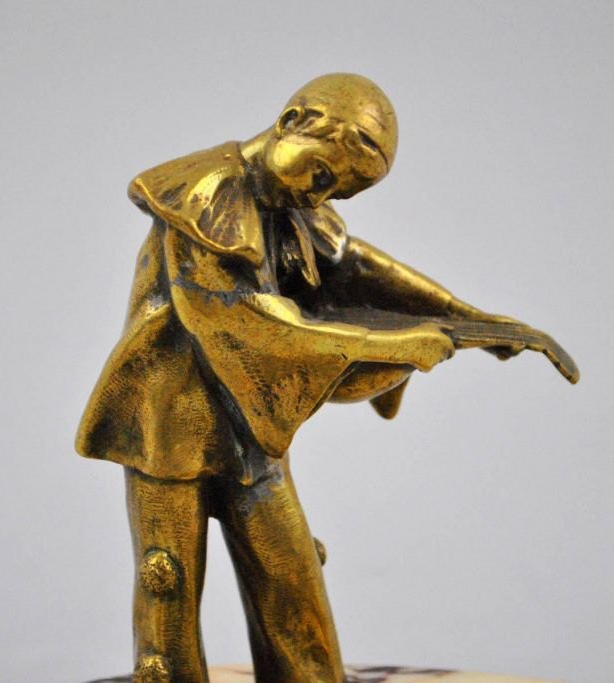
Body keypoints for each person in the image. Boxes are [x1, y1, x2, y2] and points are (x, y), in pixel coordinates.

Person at [76, 73, 554, 683]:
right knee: (169, 585)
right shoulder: (202, 198)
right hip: (164, 423)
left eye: (341, 192)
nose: (320, 196)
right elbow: (244, 324)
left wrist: (464, 315)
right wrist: (394, 343)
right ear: (293, 122)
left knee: (291, 576)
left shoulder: (292, 203)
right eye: (323, 175)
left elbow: (352, 267)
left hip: (247, 426)